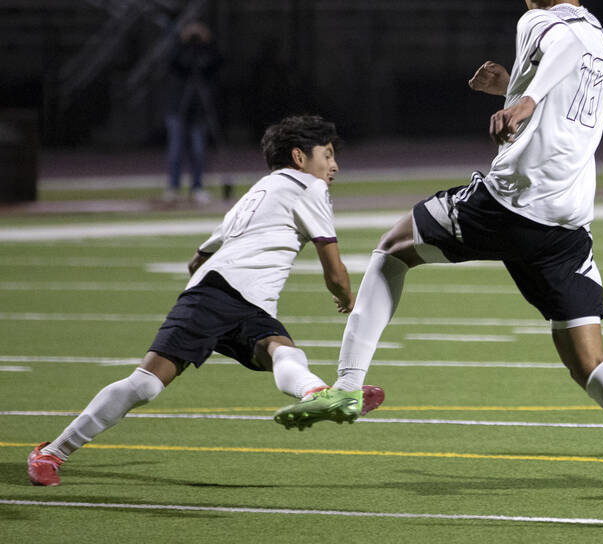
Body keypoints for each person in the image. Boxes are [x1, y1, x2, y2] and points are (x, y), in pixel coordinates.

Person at [272, 0, 603, 528]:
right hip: (568, 222)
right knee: (588, 360)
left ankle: (346, 385)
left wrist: (521, 98)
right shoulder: (596, 30)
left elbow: (554, 59)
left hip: (511, 203)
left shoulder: (536, 22)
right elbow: (567, 77)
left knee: (391, 250)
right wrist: (514, 87)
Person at [27, 115, 384, 486]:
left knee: (281, 350)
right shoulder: (309, 187)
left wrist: (206, 273)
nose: (334, 166)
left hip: (237, 298)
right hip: (222, 294)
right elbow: (334, 269)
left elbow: (202, 253)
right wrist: (348, 300)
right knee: (146, 384)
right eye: (327, 155)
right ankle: (51, 452)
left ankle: (321, 393)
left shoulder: (261, 189)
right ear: (299, 156)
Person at [164, 20, 221, 204]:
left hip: (198, 110)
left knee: (198, 151)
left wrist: (207, 41)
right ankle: (173, 188)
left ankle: (197, 187)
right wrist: (182, 41)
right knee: (175, 151)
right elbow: (173, 62)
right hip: (178, 108)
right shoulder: (179, 50)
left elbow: (217, 62)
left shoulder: (206, 51)